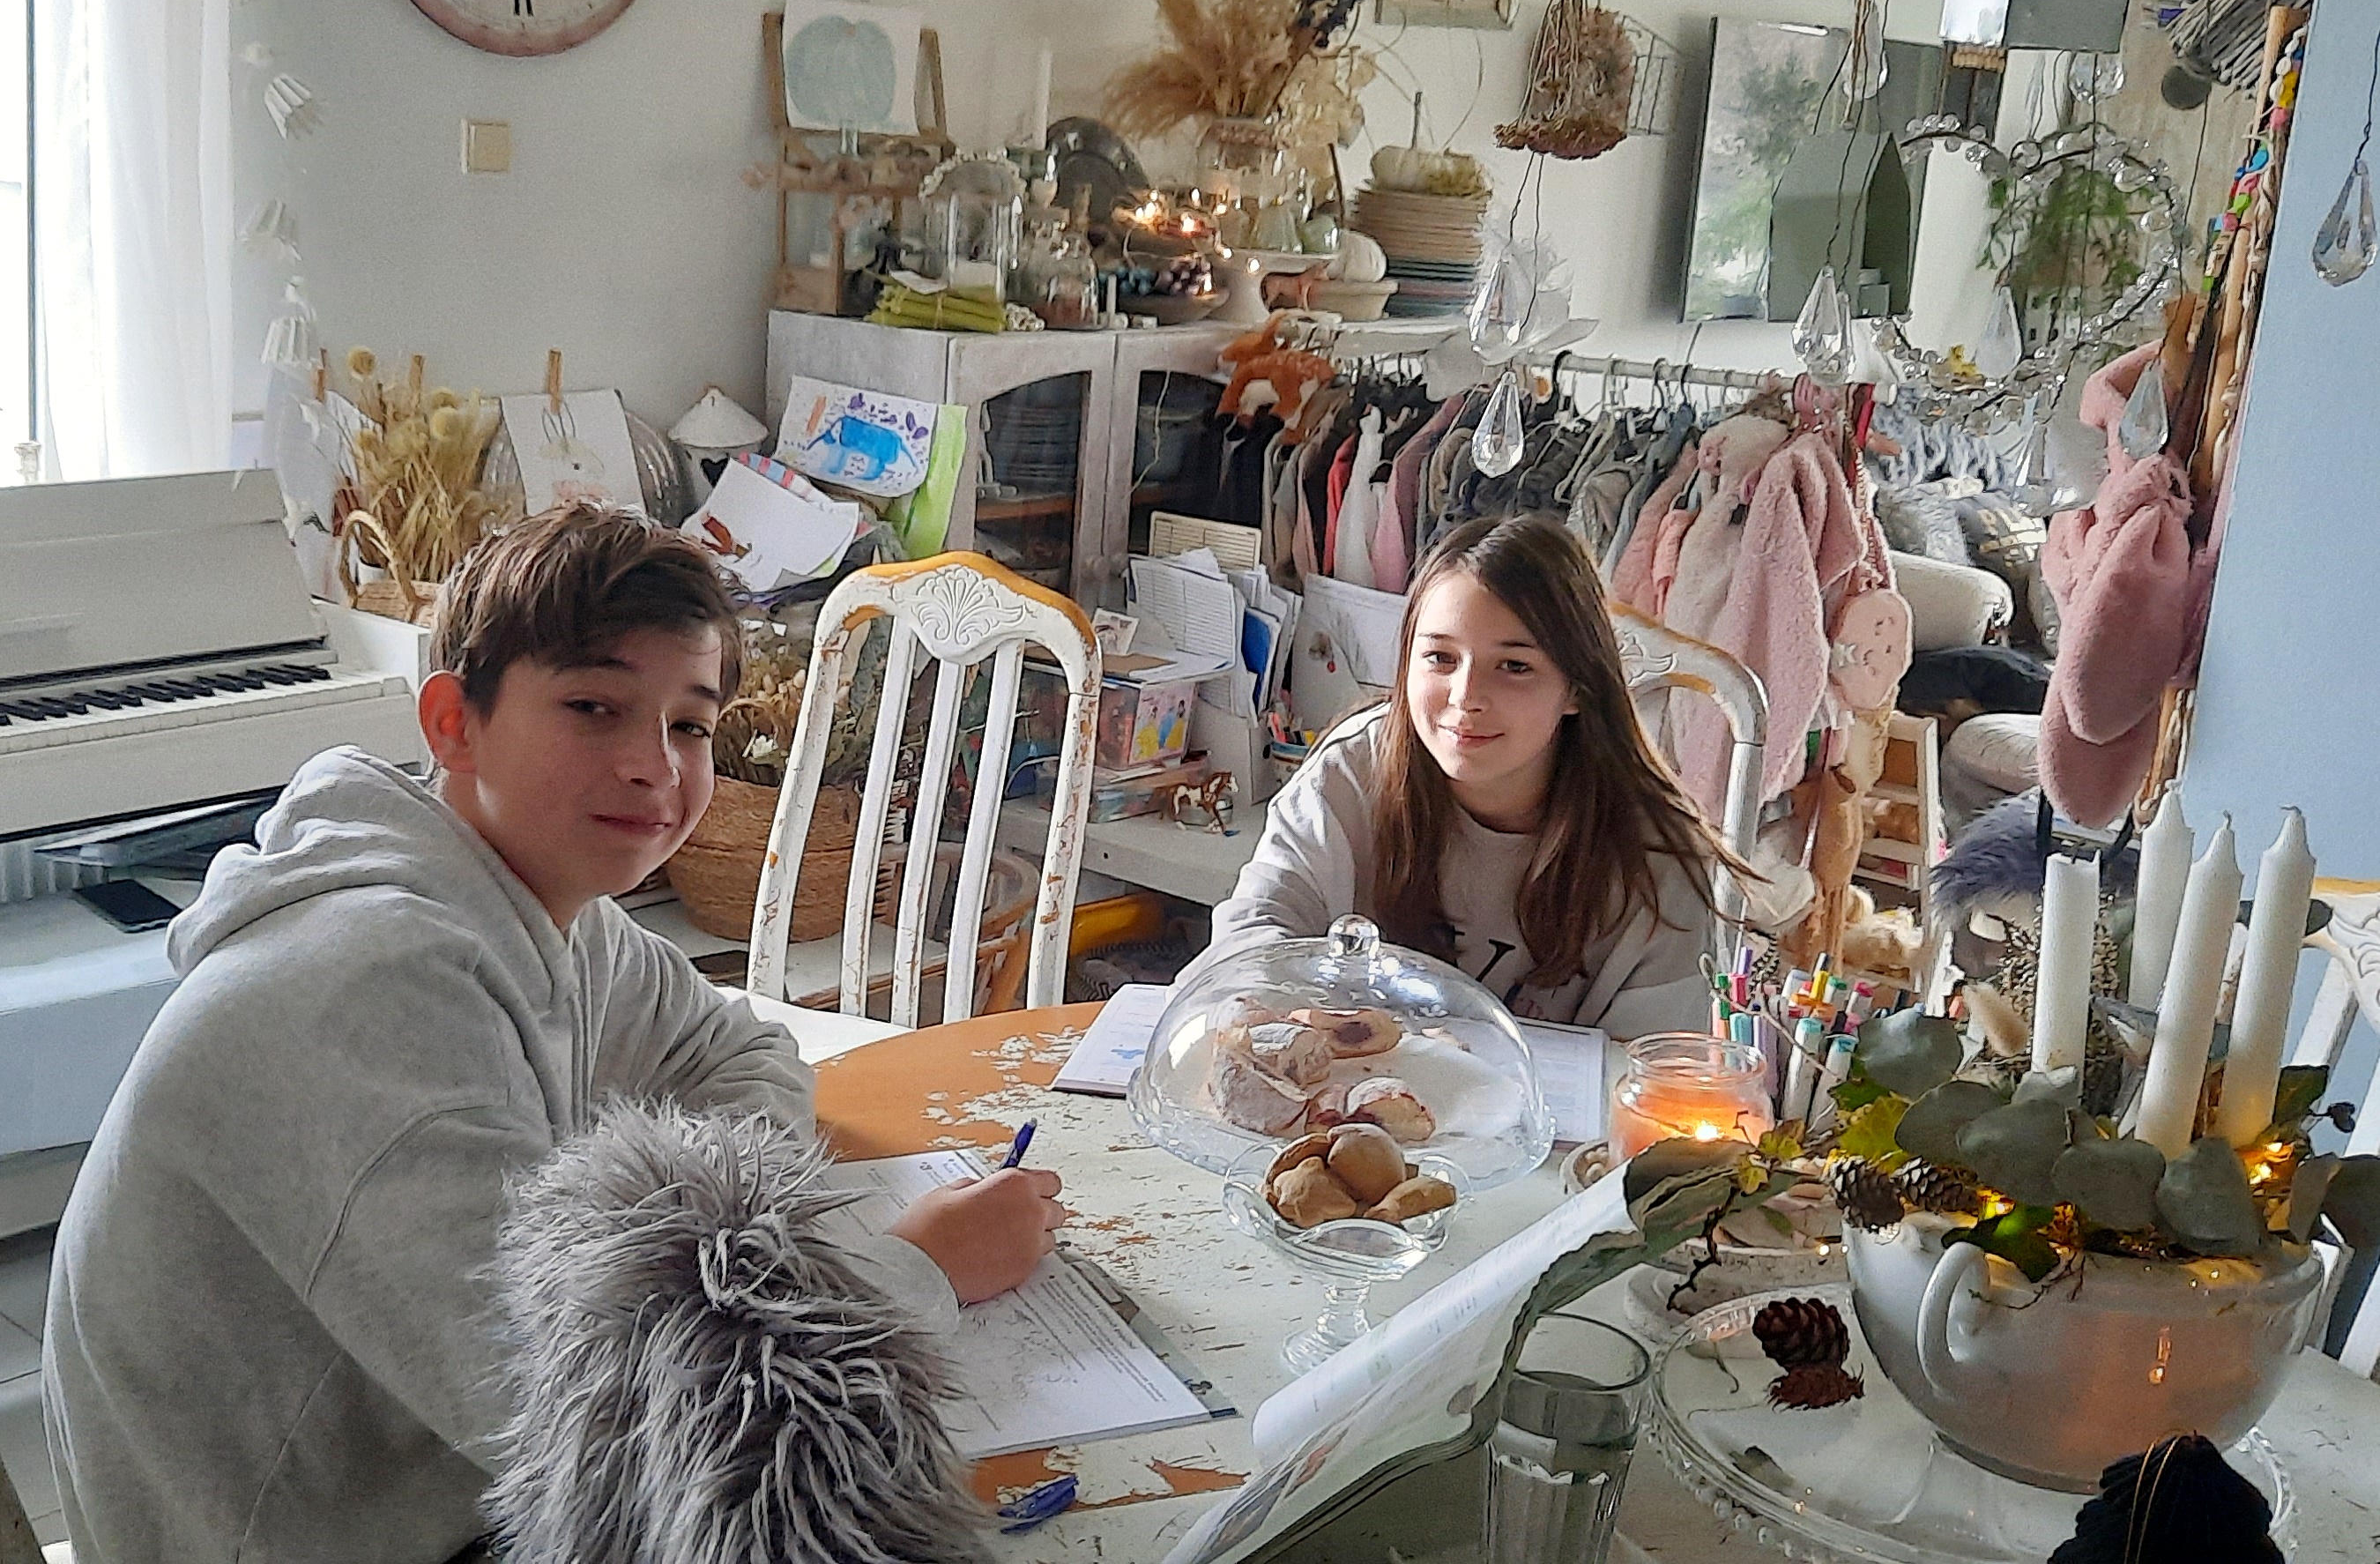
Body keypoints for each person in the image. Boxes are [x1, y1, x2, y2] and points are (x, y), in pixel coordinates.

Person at [44, 503, 1067, 1562]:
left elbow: (737, 1053)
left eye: (689, 725)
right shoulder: (364, 985)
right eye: (593, 707)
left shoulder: (543, 906)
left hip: (435, 1477)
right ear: (453, 723)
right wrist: (916, 1274)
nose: (655, 767)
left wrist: (713, 1244)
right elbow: (620, 1424)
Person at [1186, 513, 1735, 1038]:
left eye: (1515, 666)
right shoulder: (1350, 772)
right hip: (1355, 1087)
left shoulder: (1656, 857)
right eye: (1440, 658)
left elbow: (1652, 1067)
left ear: (1576, 687)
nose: (1466, 697)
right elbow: (1252, 938)